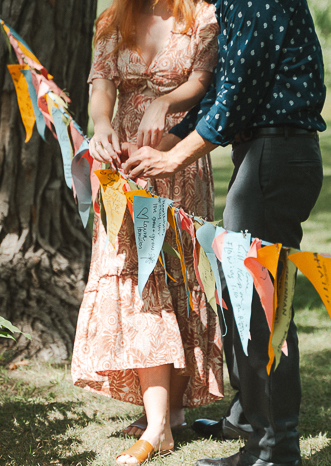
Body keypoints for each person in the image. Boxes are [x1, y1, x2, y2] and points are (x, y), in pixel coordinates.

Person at [122, 0, 326, 464]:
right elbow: (221, 95)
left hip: (275, 155)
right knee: (241, 296)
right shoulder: (233, 5)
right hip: (261, 154)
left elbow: (238, 98)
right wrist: (153, 151)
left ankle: (273, 450)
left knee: (260, 307)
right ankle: (246, 417)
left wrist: (173, 160)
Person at [70, 1, 224, 464]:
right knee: (136, 281)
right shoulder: (115, 17)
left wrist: (166, 101)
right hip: (123, 165)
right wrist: (100, 126)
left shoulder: (203, 16)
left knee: (178, 279)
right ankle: (157, 420)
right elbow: (101, 83)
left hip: (179, 158)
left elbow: (204, 82)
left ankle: (169, 415)